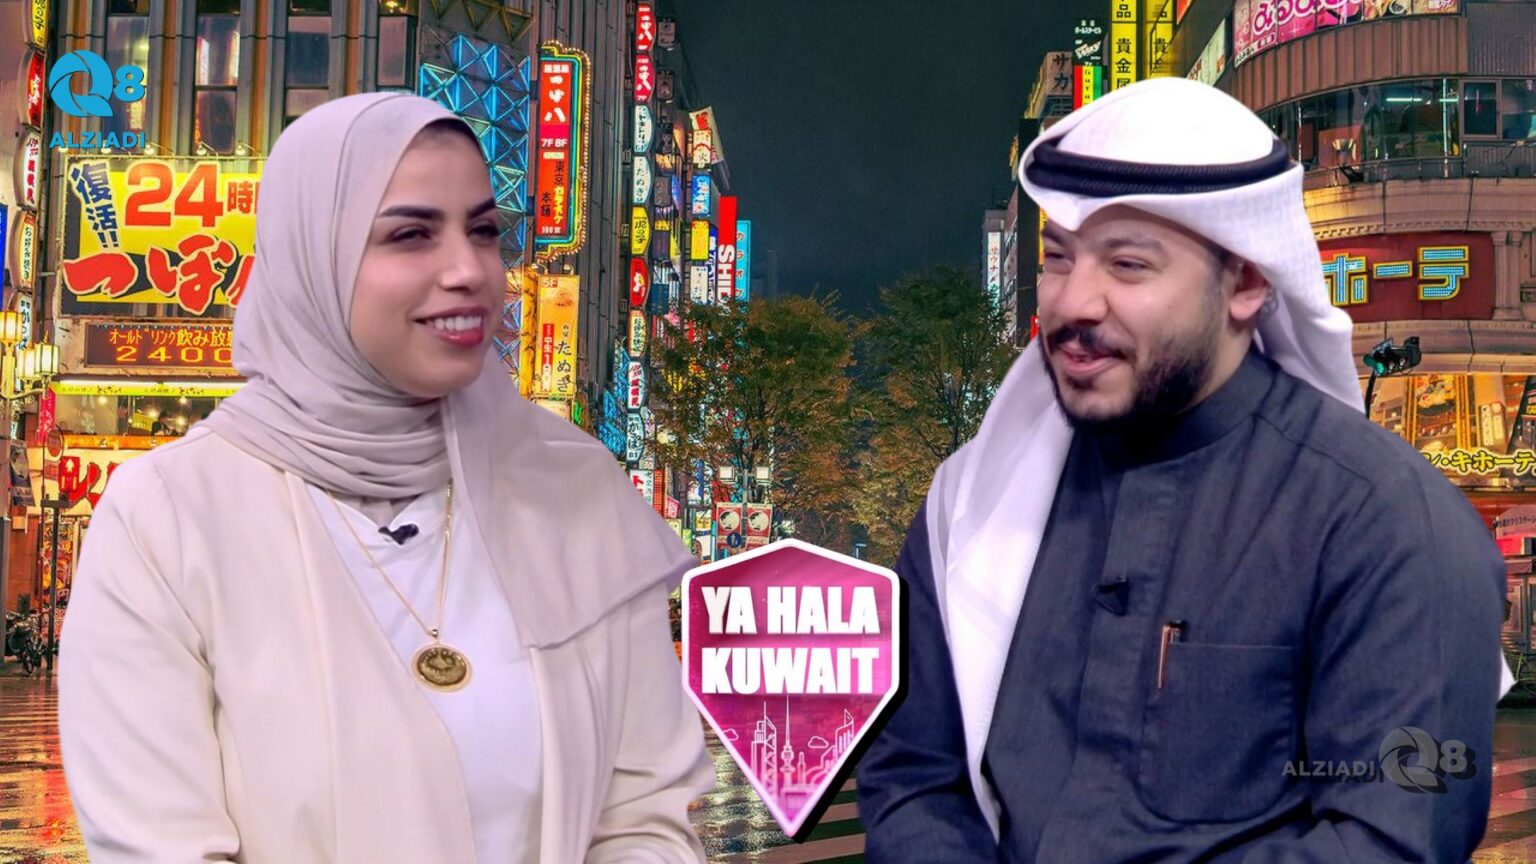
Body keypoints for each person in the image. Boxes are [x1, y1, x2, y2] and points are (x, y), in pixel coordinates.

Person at [857, 77, 1510, 862]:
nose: (1073, 303)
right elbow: (913, 778)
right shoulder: (969, 504)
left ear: (1247, 282)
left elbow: (1390, 840)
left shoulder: (1389, 524)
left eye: (1128, 264)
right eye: (1058, 259)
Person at [59, 93, 713, 863]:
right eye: (410, 234)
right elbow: (158, 847)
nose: (469, 271)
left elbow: (646, 817)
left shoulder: (575, 493)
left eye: (483, 231)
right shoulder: (170, 518)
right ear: (315, 257)